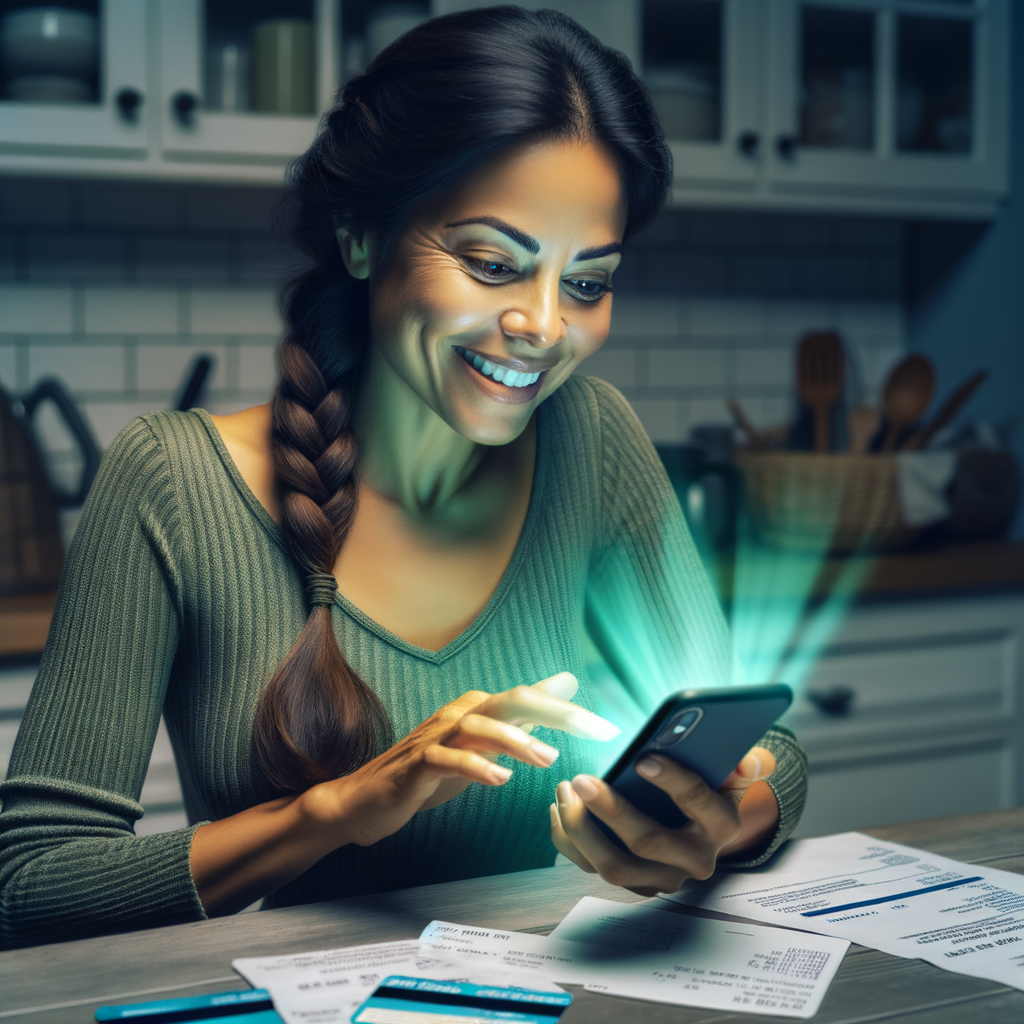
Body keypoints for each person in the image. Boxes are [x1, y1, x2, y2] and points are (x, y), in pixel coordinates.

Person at [0, 7, 806, 950]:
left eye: (585, 282)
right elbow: (31, 883)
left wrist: (716, 821)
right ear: (361, 239)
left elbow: (769, 755)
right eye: (492, 262)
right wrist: (338, 809)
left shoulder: (592, 436)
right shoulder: (171, 480)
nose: (544, 326)